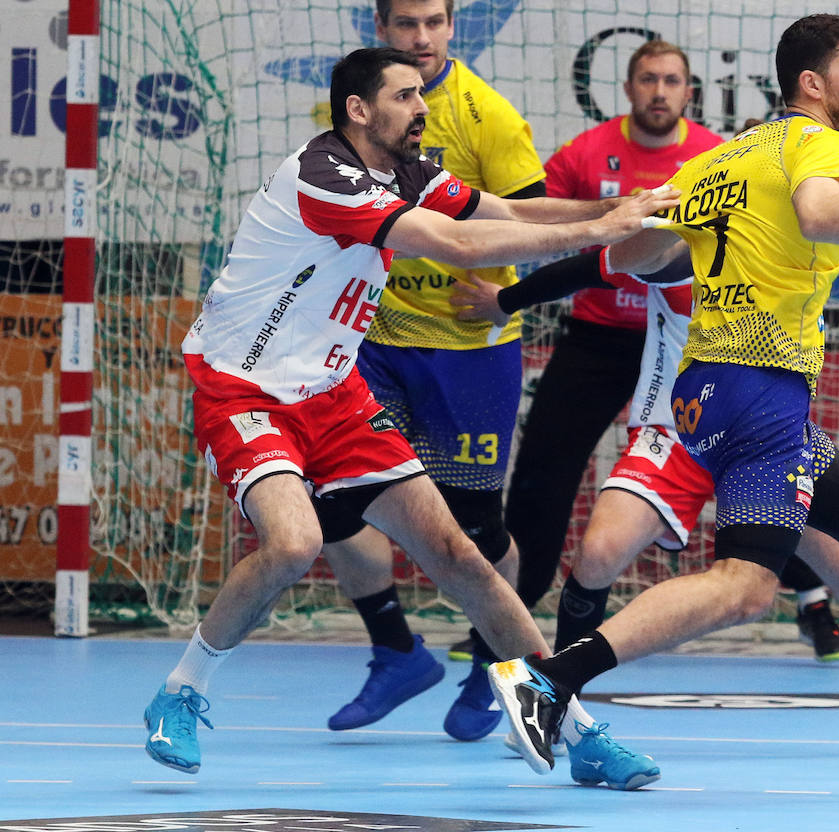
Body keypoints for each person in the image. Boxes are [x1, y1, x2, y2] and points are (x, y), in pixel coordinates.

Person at [486, 14, 839, 800]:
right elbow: (820, 215)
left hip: (705, 389)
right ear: (813, 83)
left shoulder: (718, 162)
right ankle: (549, 679)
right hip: (762, 386)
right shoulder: (822, 146)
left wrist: (513, 293)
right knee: (744, 585)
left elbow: (629, 256)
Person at [141, 47, 677, 791]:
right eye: (403, 96)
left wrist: (620, 211)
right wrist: (602, 229)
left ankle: (576, 728)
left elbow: (511, 211)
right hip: (246, 390)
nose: (422, 107)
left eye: (423, 94)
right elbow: (457, 243)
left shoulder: (412, 171)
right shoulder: (323, 175)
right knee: (294, 544)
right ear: (359, 109)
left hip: (333, 392)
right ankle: (180, 691)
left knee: (462, 555)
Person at [494, 40, 839, 663]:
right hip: (676, 420)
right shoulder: (682, 244)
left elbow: (828, 216)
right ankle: (556, 687)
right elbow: (596, 266)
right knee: (601, 551)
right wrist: (504, 300)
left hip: (758, 415)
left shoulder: (797, 253)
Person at [317, 0, 547, 746]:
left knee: (474, 529)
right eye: (406, 25)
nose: (421, 38)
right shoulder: (361, 115)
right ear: (382, 29)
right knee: (336, 501)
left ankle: (494, 662)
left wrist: (504, 292)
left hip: (467, 350)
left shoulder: (487, 116)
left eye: (434, 24)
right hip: (374, 343)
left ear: (452, 29)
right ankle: (394, 652)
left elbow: (532, 214)